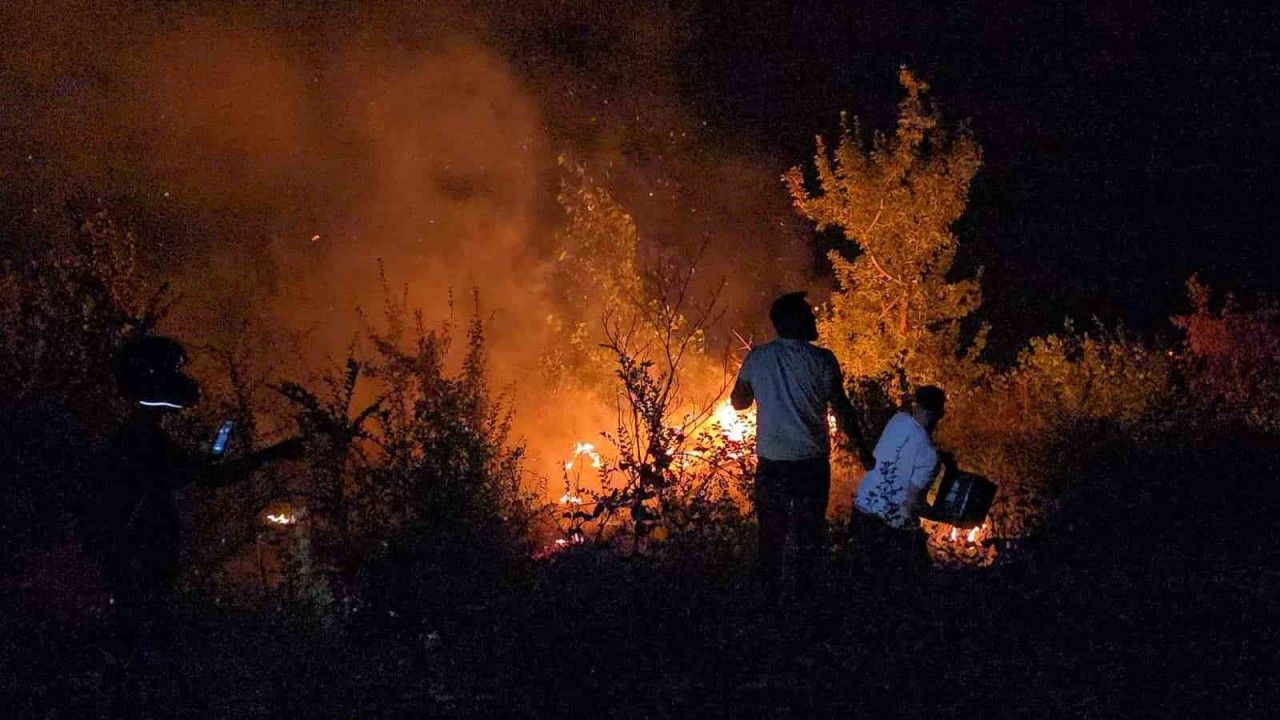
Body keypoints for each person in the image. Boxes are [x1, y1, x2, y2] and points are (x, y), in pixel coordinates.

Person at [91, 335, 302, 667]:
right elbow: (209, 478)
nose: (183, 381)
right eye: (172, 372)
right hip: (140, 566)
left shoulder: (137, 437)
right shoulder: (143, 441)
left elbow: (199, 474)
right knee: (139, 648)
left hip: (137, 566)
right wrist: (273, 454)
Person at [731, 292, 873, 601]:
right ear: (792, 321)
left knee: (771, 538)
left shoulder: (757, 358)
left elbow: (739, 402)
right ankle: (805, 602)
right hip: (811, 465)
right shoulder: (822, 360)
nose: (814, 319)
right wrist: (863, 450)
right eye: (809, 315)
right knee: (809, 538)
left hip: (773, 465)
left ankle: (768, 603)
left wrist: (762, 387)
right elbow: (842, 409)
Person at [850, 385, 951, 573]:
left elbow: (907, 448)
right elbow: (912, 505)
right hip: (890, 529)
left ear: (916, 405)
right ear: (939, 414)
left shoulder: (897, 420)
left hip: (861, 511)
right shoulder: (929, 457)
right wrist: (944, 516)